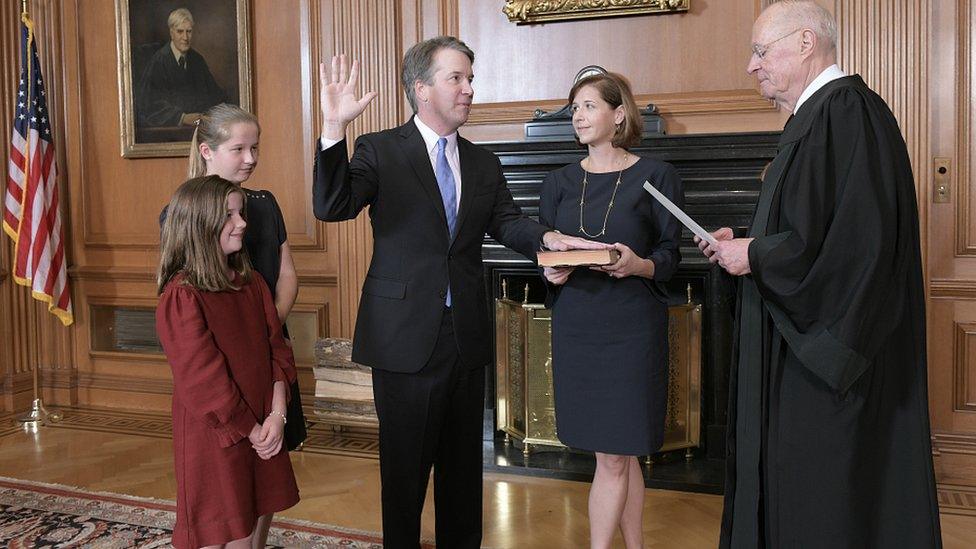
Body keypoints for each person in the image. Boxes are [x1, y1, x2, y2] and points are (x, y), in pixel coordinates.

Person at [312, 36, 607, 548]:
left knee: (463, 476)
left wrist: (547, 240)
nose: (470, 88)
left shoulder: (482, 162)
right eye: (457, 78)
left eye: (471, 78)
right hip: (404, 339)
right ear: (422, 88)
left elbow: (509, 223)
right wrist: (334, 128)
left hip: (465, 337)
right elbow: (332, 205)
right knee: (404, 476)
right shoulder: (380, 149)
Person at [698, 2, 942, 547]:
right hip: (798, 348)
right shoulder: (818, 117)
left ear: (805, 43)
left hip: (829, 368)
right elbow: (809, 226)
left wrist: (757, 258)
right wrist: (746, 244)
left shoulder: (847, 111)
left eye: (761, 51)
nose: (750, 66)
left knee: (826, 502)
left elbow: (858, 247)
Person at [539, 72, 683, 549]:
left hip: (631, 326)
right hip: (578, 326)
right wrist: (553, 272)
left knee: (618, 456)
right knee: (619, 455)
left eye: (588, 106)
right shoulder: (557, 182)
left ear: (619, 114)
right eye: (574, 108)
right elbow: (548, 252)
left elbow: (670, 255)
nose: (577, 116)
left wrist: (638, 264)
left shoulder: (656, 175)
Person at [156, 176, 299, 549]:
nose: (242, 223)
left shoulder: (251, 284)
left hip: (262, 422)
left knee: (249, 526)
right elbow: (204, 380)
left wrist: (277, 415)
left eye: (241, 213)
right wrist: (250, 430)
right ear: (200, 225)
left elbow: (276, 350)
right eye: (229, 216)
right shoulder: (182, 296)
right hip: (217, 433)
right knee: (220, 528)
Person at [159, 103, 306, 449]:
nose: (250, 158)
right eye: (238, 149)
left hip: (270, 351)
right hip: (224, 356)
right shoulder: (182, 211)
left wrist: (267, 330)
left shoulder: (266, 203)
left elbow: (287, 275)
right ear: (207, 151)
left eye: (255, 147)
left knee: (273, 456)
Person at [136, 8, 226, 128]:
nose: (185, 37)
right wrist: (182, 118)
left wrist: (216, 113)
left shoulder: (197, 60)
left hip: (198, 127)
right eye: (180, 31)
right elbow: (150, 104)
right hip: (168, 131)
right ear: (171, 33)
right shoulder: (159, 61)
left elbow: (214, 95)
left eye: (189, 31)